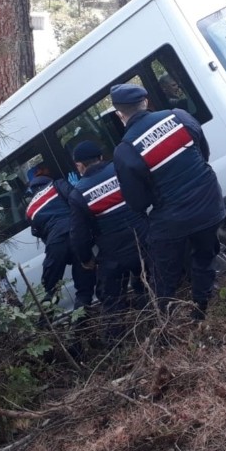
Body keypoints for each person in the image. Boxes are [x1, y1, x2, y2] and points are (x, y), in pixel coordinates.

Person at [110, 83, 226, 321]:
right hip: (209, 201)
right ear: (146, 101)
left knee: (164, 273)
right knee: (204, 255)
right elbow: (202, 152)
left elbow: (137, 202)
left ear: (119, 114)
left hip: (173, 219)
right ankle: (201, 308)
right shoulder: (179, 117)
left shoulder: (126, 150)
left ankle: (164, 321)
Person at [67, 140, 148, 340]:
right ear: (101, 157)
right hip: (145, 238)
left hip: (114, 253)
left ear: (79, 166)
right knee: (157, 281)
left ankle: (117, 345)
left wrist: (86, 259)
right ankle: (161, 314)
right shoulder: (119, 169)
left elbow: (79, 235)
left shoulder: (78, 193)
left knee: (109, 298)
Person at [25, 163, 96, 308]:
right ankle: (81, 322)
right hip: (76, 235)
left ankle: (46, 323)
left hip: (55, 244)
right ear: (43, 176)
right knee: (84, 287)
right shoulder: (57, 185)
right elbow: (76, 201)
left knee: (50, 290)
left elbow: (39, 233)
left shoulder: (29, 210)